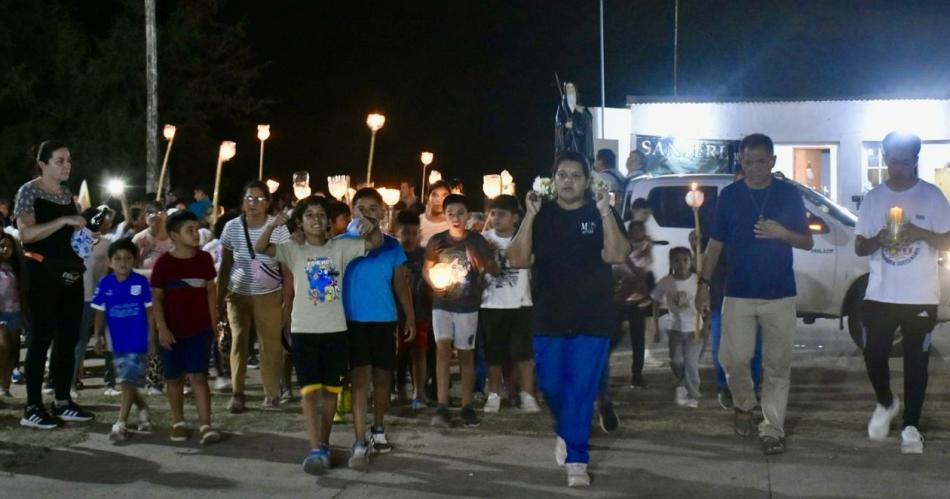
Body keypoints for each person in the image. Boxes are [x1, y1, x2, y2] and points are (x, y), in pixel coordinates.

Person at [507, 151, 630, 487]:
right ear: (553, 180)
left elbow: (617, 254)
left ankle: (577, 458)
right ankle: (565, 429)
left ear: (588, 181)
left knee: (581, 388)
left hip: (593, 318)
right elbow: (517, 259)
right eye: (562, 174)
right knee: (551, 387)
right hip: (549, 317)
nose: (568, 181)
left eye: (576, 175)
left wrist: (606, 212)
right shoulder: (541, 214)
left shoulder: (600, 212)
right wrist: (529, 217)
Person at [696, 133, 813, 456]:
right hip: (738, 292)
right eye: (748, 162)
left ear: (773, 162)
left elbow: (807, 241)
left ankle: (773, 428)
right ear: (740, 162)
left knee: (778, 366)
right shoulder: (730, 196)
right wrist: (703, 284)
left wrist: (783, 233)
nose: (755, 168)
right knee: (732, 359)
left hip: (780, 293)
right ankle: (744, 404)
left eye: (761, 161)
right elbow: (715, 244)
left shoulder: (788, 195)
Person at [255, 195, 382, 475]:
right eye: (309, 215)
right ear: (300, 221)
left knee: (330, 394)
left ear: (328, 221)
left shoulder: (341, 247)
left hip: (336, 331)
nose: (316, 219)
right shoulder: (292, 249)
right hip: (304, 331)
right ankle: (316, 448)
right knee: (310, 393)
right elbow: (261, 247)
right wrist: (276, 223)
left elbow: (375, 243)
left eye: (321, 215)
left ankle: (323, 444)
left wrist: (371, 222)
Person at [854, 131, 950, 455]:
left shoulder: (932, 197)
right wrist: (879, 239)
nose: (899, 167)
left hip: (920, 296)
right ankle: (886, 402)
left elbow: (948, 241)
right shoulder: (873, 199)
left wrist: (922, 233)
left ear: (915, 161)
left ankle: (911, 425)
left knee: (916, 363)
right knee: (874, 355)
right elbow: (859, 247)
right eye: (893, 161)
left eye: (905, 161)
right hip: (879, 293)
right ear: (885, 160)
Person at [15, 140, 95, 429]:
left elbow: (70, 236)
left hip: (69, 274)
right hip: (41, 274)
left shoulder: (66, 194)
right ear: (43, 164)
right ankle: (32, 407)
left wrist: (85, 239)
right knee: (41, 338)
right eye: (60, 160)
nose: (66, 165)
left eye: (69, 160)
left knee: (69, 337)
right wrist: (63, 220)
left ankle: (62, 400)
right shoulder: (29, 191)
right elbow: (27, 235)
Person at [339, 188, 416, 464]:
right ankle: (360, 440)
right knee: (360, 380)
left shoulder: (392, 246)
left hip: (384, 320)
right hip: (353, 321)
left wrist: (409, 315)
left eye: (374, 208)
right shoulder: (340, 243)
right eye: (363, 207)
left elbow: (400, 283)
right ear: (352, 210)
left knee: (383, 378)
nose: (369, 213)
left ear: (382, 212)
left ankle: (379, 429)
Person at [424, 193, 498, 428]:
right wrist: (434, 280)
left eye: (460, 213)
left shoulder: (476, 241)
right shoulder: (437, 241)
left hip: (467, 306)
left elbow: (493, 270)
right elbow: (427, 269)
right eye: (450, 213)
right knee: (443, 350)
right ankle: (443, 405)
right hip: (442, 304)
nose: (455, 218)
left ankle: (467, 406)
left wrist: (481, 262)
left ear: (468, 215)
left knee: (466, 354)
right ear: (444, 216)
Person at [150, 210, 221, 445]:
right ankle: (178, 422)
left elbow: (211, 293)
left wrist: (214, 324)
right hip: (172, 331)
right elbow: (157, 299)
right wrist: (162, 328)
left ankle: (205, 424)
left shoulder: (204, 260)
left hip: (199, 330)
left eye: (196, 229)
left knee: (199, 377)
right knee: (174, 379)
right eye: (189, 230)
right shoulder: (163, 264)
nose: (196, 234)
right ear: (174, 235)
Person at [217, 181, 289, 412]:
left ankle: (271, 393)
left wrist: (287, 300)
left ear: (268, 202)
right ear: (242, 201)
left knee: (270, 345)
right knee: (238, 341)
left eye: (259, 199)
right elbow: (226, 263)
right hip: (238, 293)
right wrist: (220, 296)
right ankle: (238, 393)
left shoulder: (277, 227)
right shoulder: (231, 227)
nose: (253, 203)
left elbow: (286, 266)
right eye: (249, 198)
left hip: (269, 294)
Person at [480, 194, 540, 414]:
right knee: (493, 354)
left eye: (501, 214)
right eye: (493, 213)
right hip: (490, 304)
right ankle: (494, 395)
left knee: (523, 354)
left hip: (521, 304)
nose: (495, 218)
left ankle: (527, 395)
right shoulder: (483, 239)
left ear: (515, 218)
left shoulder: (524, 237)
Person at [91, 239, 155, 442]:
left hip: (137, 339)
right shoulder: (105, 284)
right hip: (115, 341)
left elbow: (150, 311)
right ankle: (142, 407)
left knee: (127, 380)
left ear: (134, 260)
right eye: (117, 258)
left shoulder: (140, 282)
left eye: (127, 258)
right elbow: (99, 312)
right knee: (126, 380)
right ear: (110, 262)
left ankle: (121, 423)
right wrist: (98, 335)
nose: (123, 262)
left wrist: (152, 336)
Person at [73, 206, 116, 395]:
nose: (105, 222)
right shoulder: (75, 241)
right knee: (80, 342)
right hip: (81, 298)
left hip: (103, 297)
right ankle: (72, 382)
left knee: (110, 339)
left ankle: (111, 383)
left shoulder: (108, 244)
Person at [652, 247, 702, 408]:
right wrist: (655, 328)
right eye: (677, 260)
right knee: (676, 360)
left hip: (695, 329)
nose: (681, 264)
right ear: (671, 262)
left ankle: (693, 393)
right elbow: (655, 303)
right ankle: (680, 384)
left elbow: (707, 303)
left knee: (691, 363)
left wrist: (707, 325)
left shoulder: (698, 280)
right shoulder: (665, 282)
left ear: (691, 261)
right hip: (675, 329)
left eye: (685, 260)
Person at [394, 210, 430, 409]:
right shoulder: (392, 255)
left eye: (414, 232)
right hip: (396, 314)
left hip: (420, 312)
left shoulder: (425, 255)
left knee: (419, 352)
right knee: (399, 354)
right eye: (405, 233)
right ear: (396, 231)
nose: (409, 237)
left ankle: (419, 393)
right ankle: (400, 390)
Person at [0, 232, 25, 398]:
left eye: (8, 246)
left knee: (11, 353)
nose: (5, 249)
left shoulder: (18, 267)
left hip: (16, 314)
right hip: (0, 314)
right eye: (2, 246)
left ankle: (5, 387)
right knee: (2, 348)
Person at [419, 180, 451, 246]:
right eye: (435, 195)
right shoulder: (419, 221)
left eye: (444, 196)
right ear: (427, 197)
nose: (439, 200)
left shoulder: (455, 224)